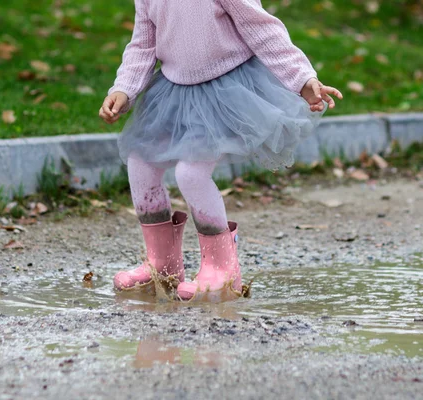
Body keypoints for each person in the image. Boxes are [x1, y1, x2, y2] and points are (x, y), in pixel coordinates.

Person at [99, 0, 343, 301]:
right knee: (140, 163)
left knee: (190, 174)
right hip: (173, 91)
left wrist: (302, 78)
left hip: (225, 90)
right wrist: (123, 89)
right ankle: (163, 265)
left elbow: (261, 28)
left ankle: (222, 269)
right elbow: (142, 45)